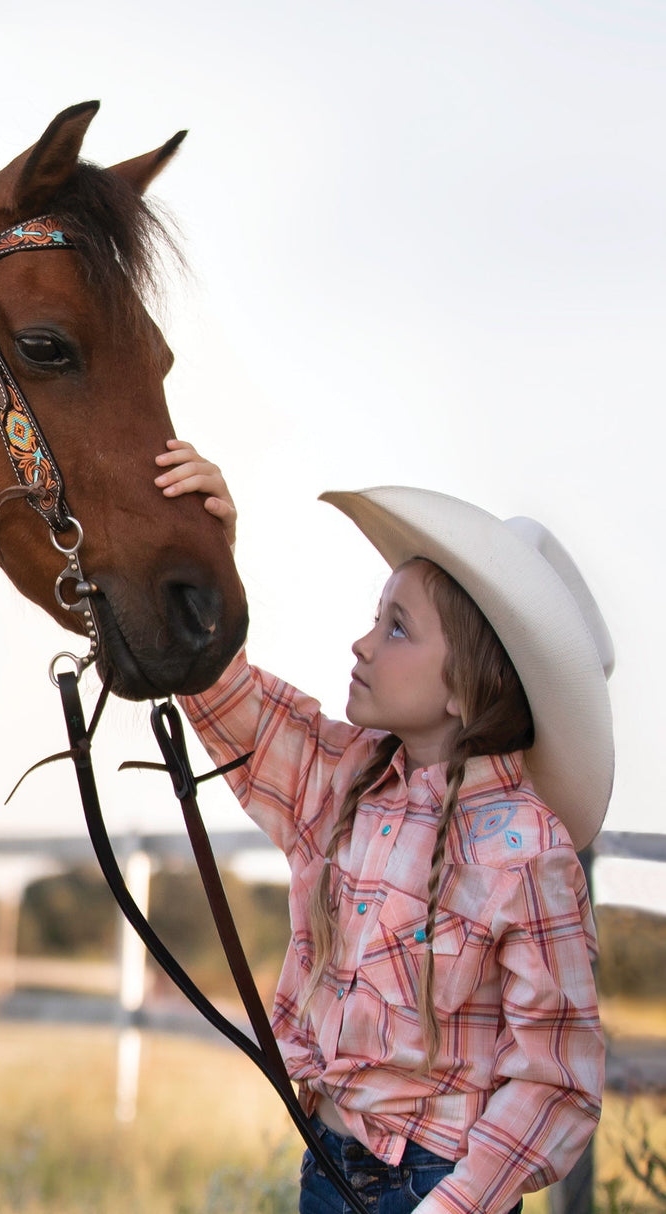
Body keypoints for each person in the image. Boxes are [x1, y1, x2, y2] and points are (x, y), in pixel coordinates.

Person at [155, 440, 613, 1214]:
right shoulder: (347, 778)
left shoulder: (528, 852)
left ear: (467, 685)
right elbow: (231, 702)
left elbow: (553, 1080)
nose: (363, 644)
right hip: (326, 1165)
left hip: (431, 1189)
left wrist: (453, 1208)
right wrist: (204, 549)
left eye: (397, 628)